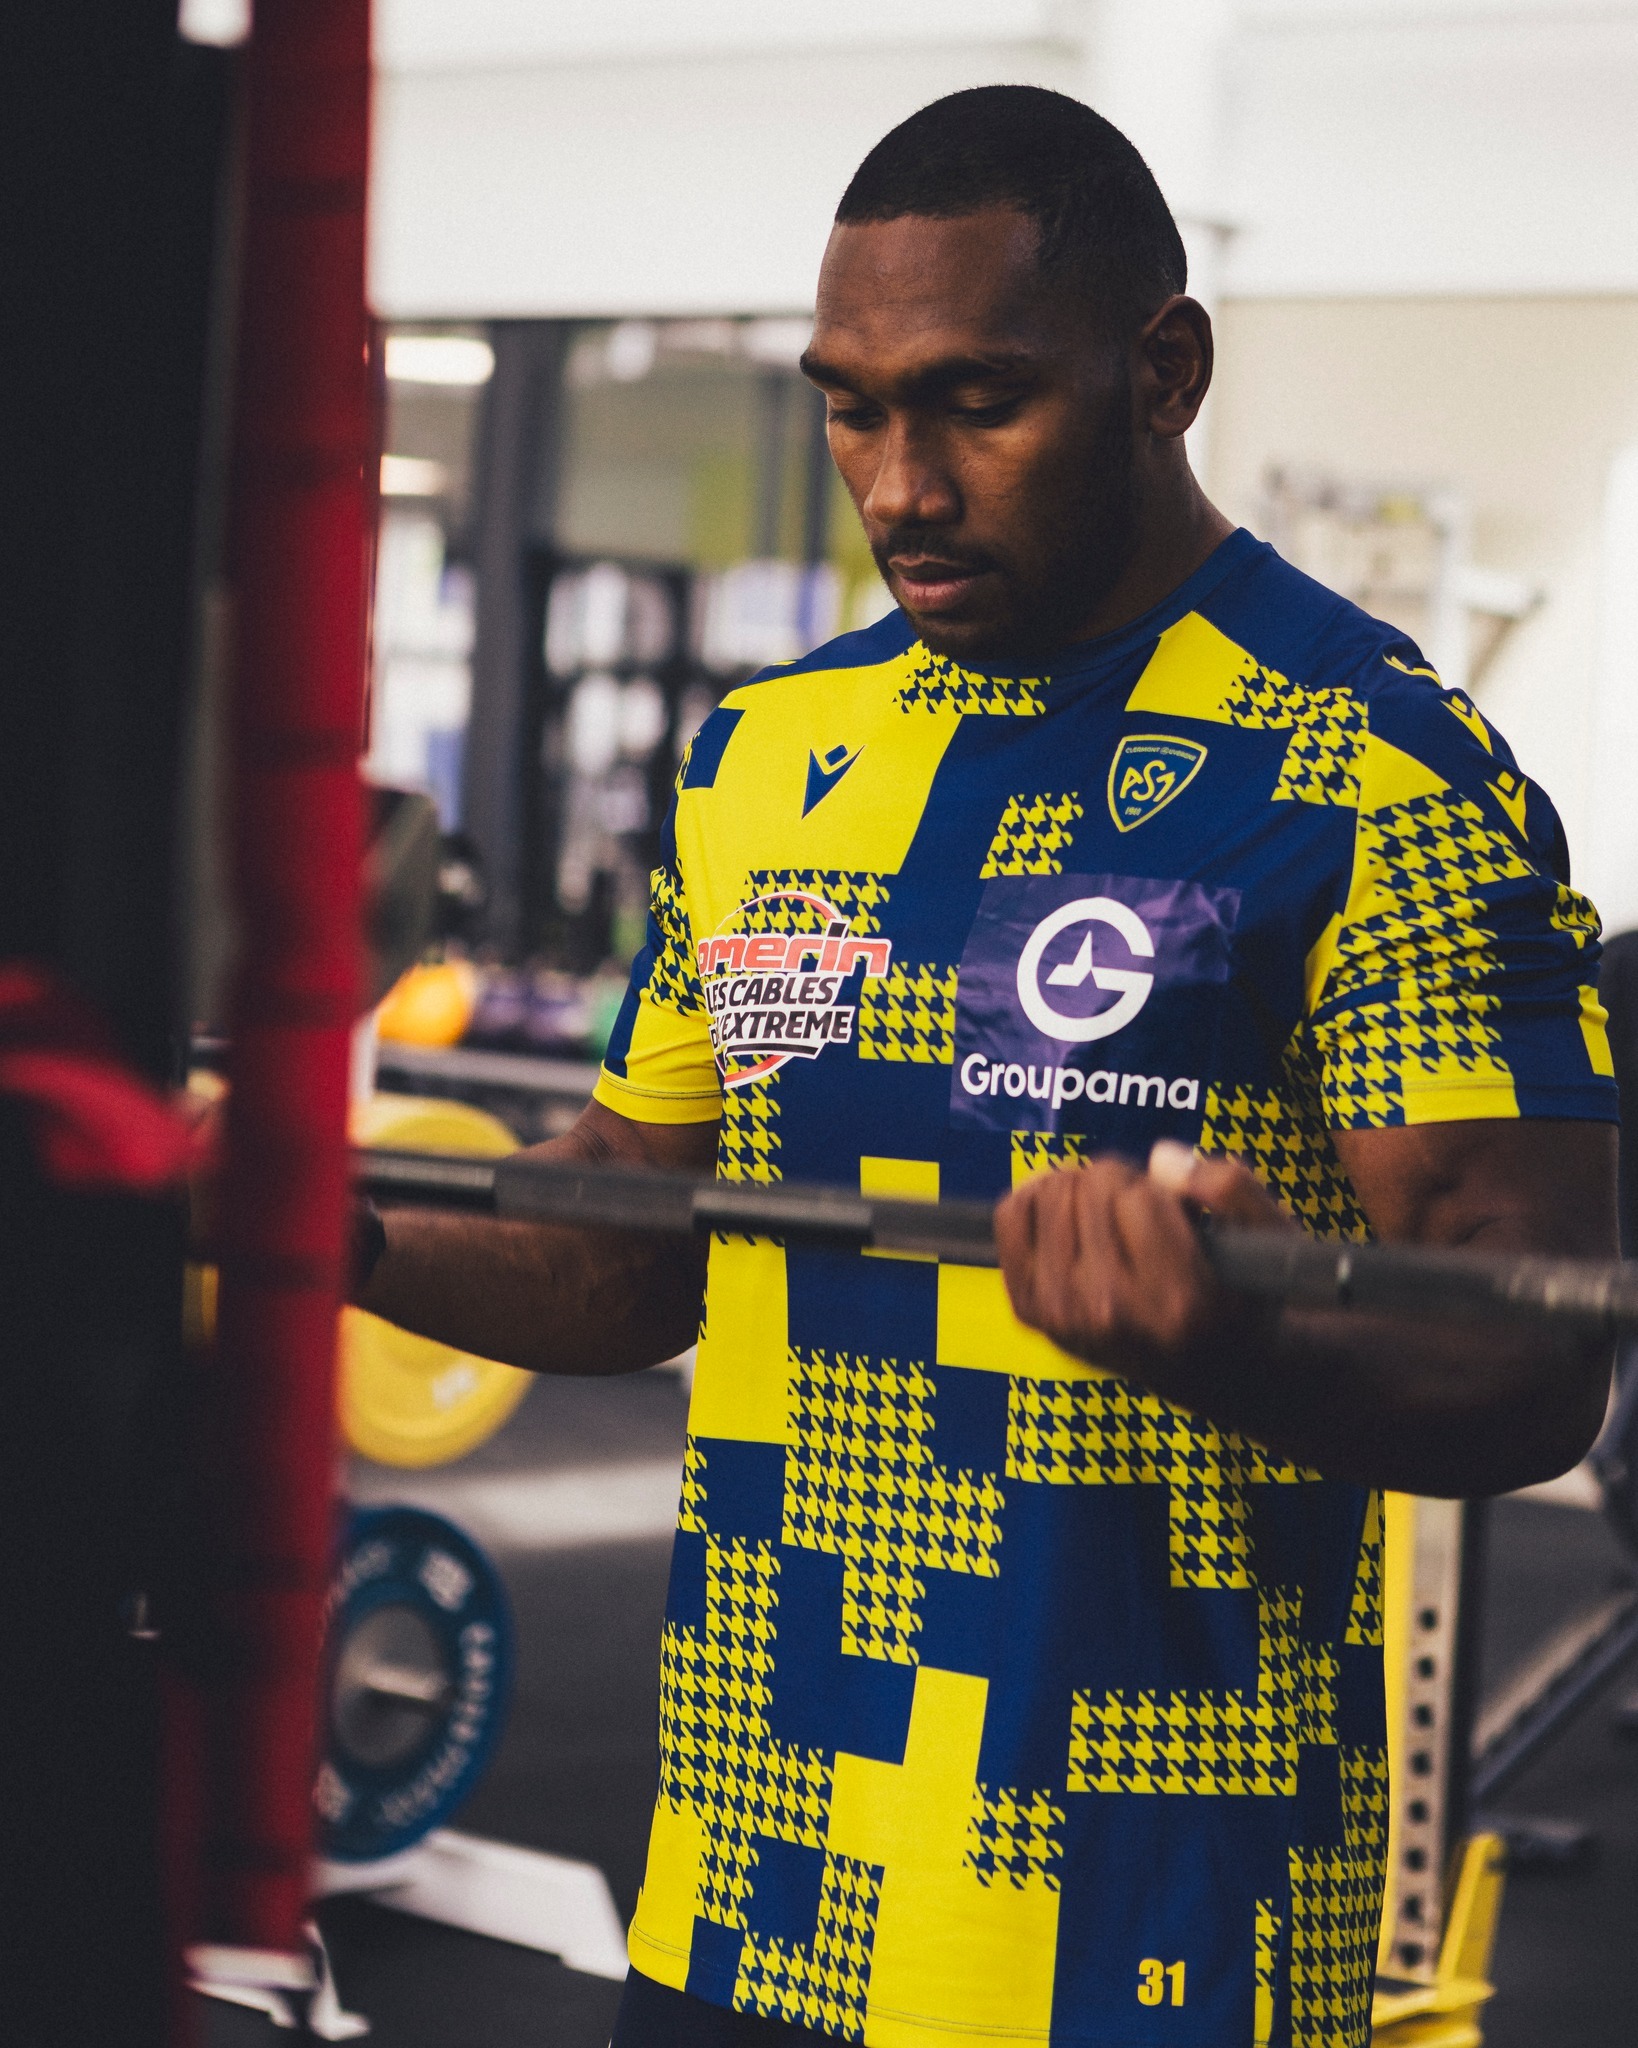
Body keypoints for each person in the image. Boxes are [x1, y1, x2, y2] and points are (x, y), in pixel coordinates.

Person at [354, 86, 1618, 2048]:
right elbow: (632, 1239)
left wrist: (1239, 1338)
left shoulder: (1370, 767)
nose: (901, 485)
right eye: (852, 410)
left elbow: (1529, 1355)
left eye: (974, 402)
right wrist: (318, 1226)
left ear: (1162, 372)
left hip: (1158, 1940)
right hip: (749, 1894)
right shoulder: (764, 756)